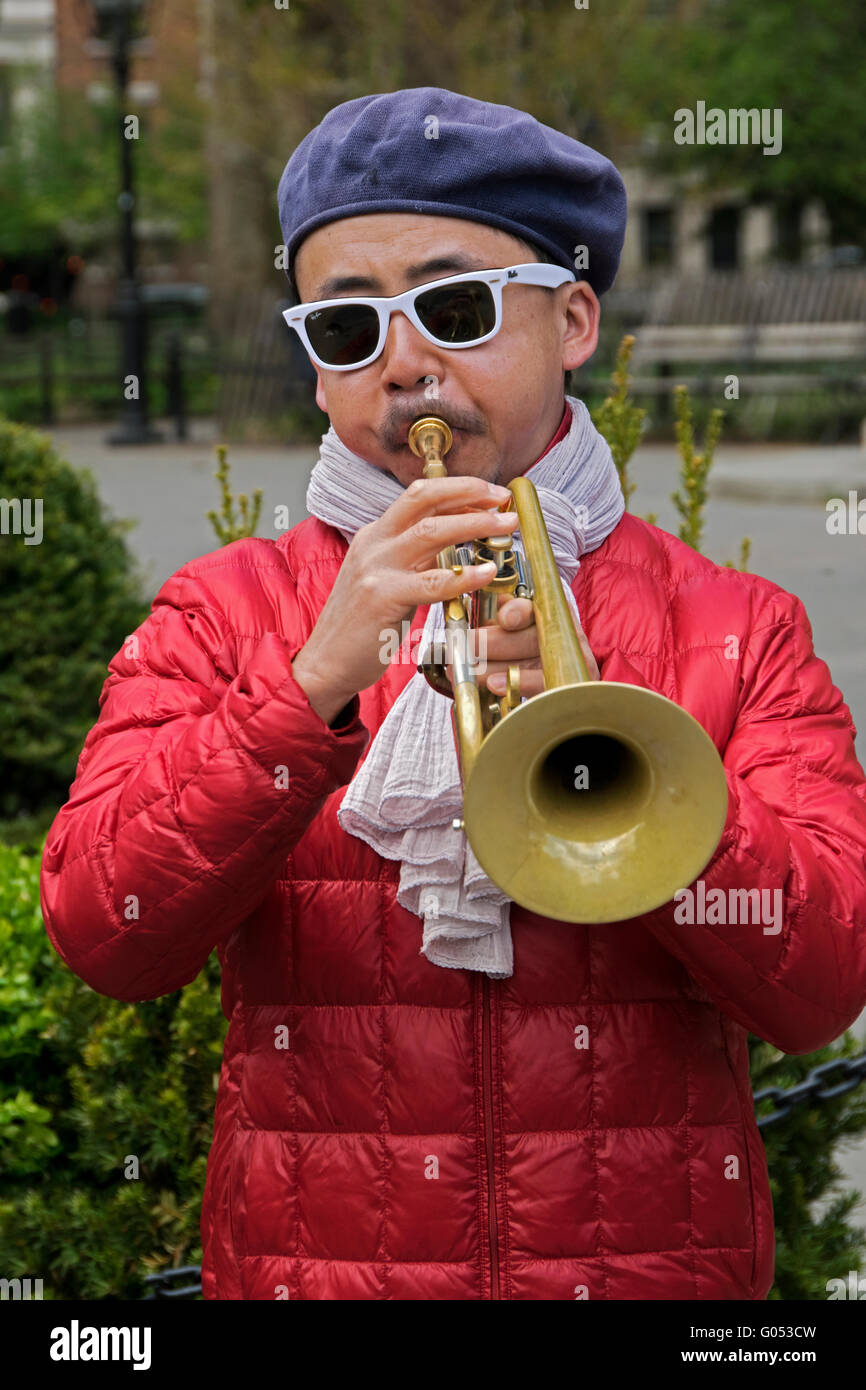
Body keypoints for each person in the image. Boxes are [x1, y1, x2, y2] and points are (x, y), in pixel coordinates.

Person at [40, 87, 866, 1301]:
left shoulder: (735, 625)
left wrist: (618, 743)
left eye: (455, 306)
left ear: (573, 319)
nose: (406, 364)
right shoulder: (223, 613)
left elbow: (820, 984)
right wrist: (308, 683)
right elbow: (105, 928)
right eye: (345, 327)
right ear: (316, 370)